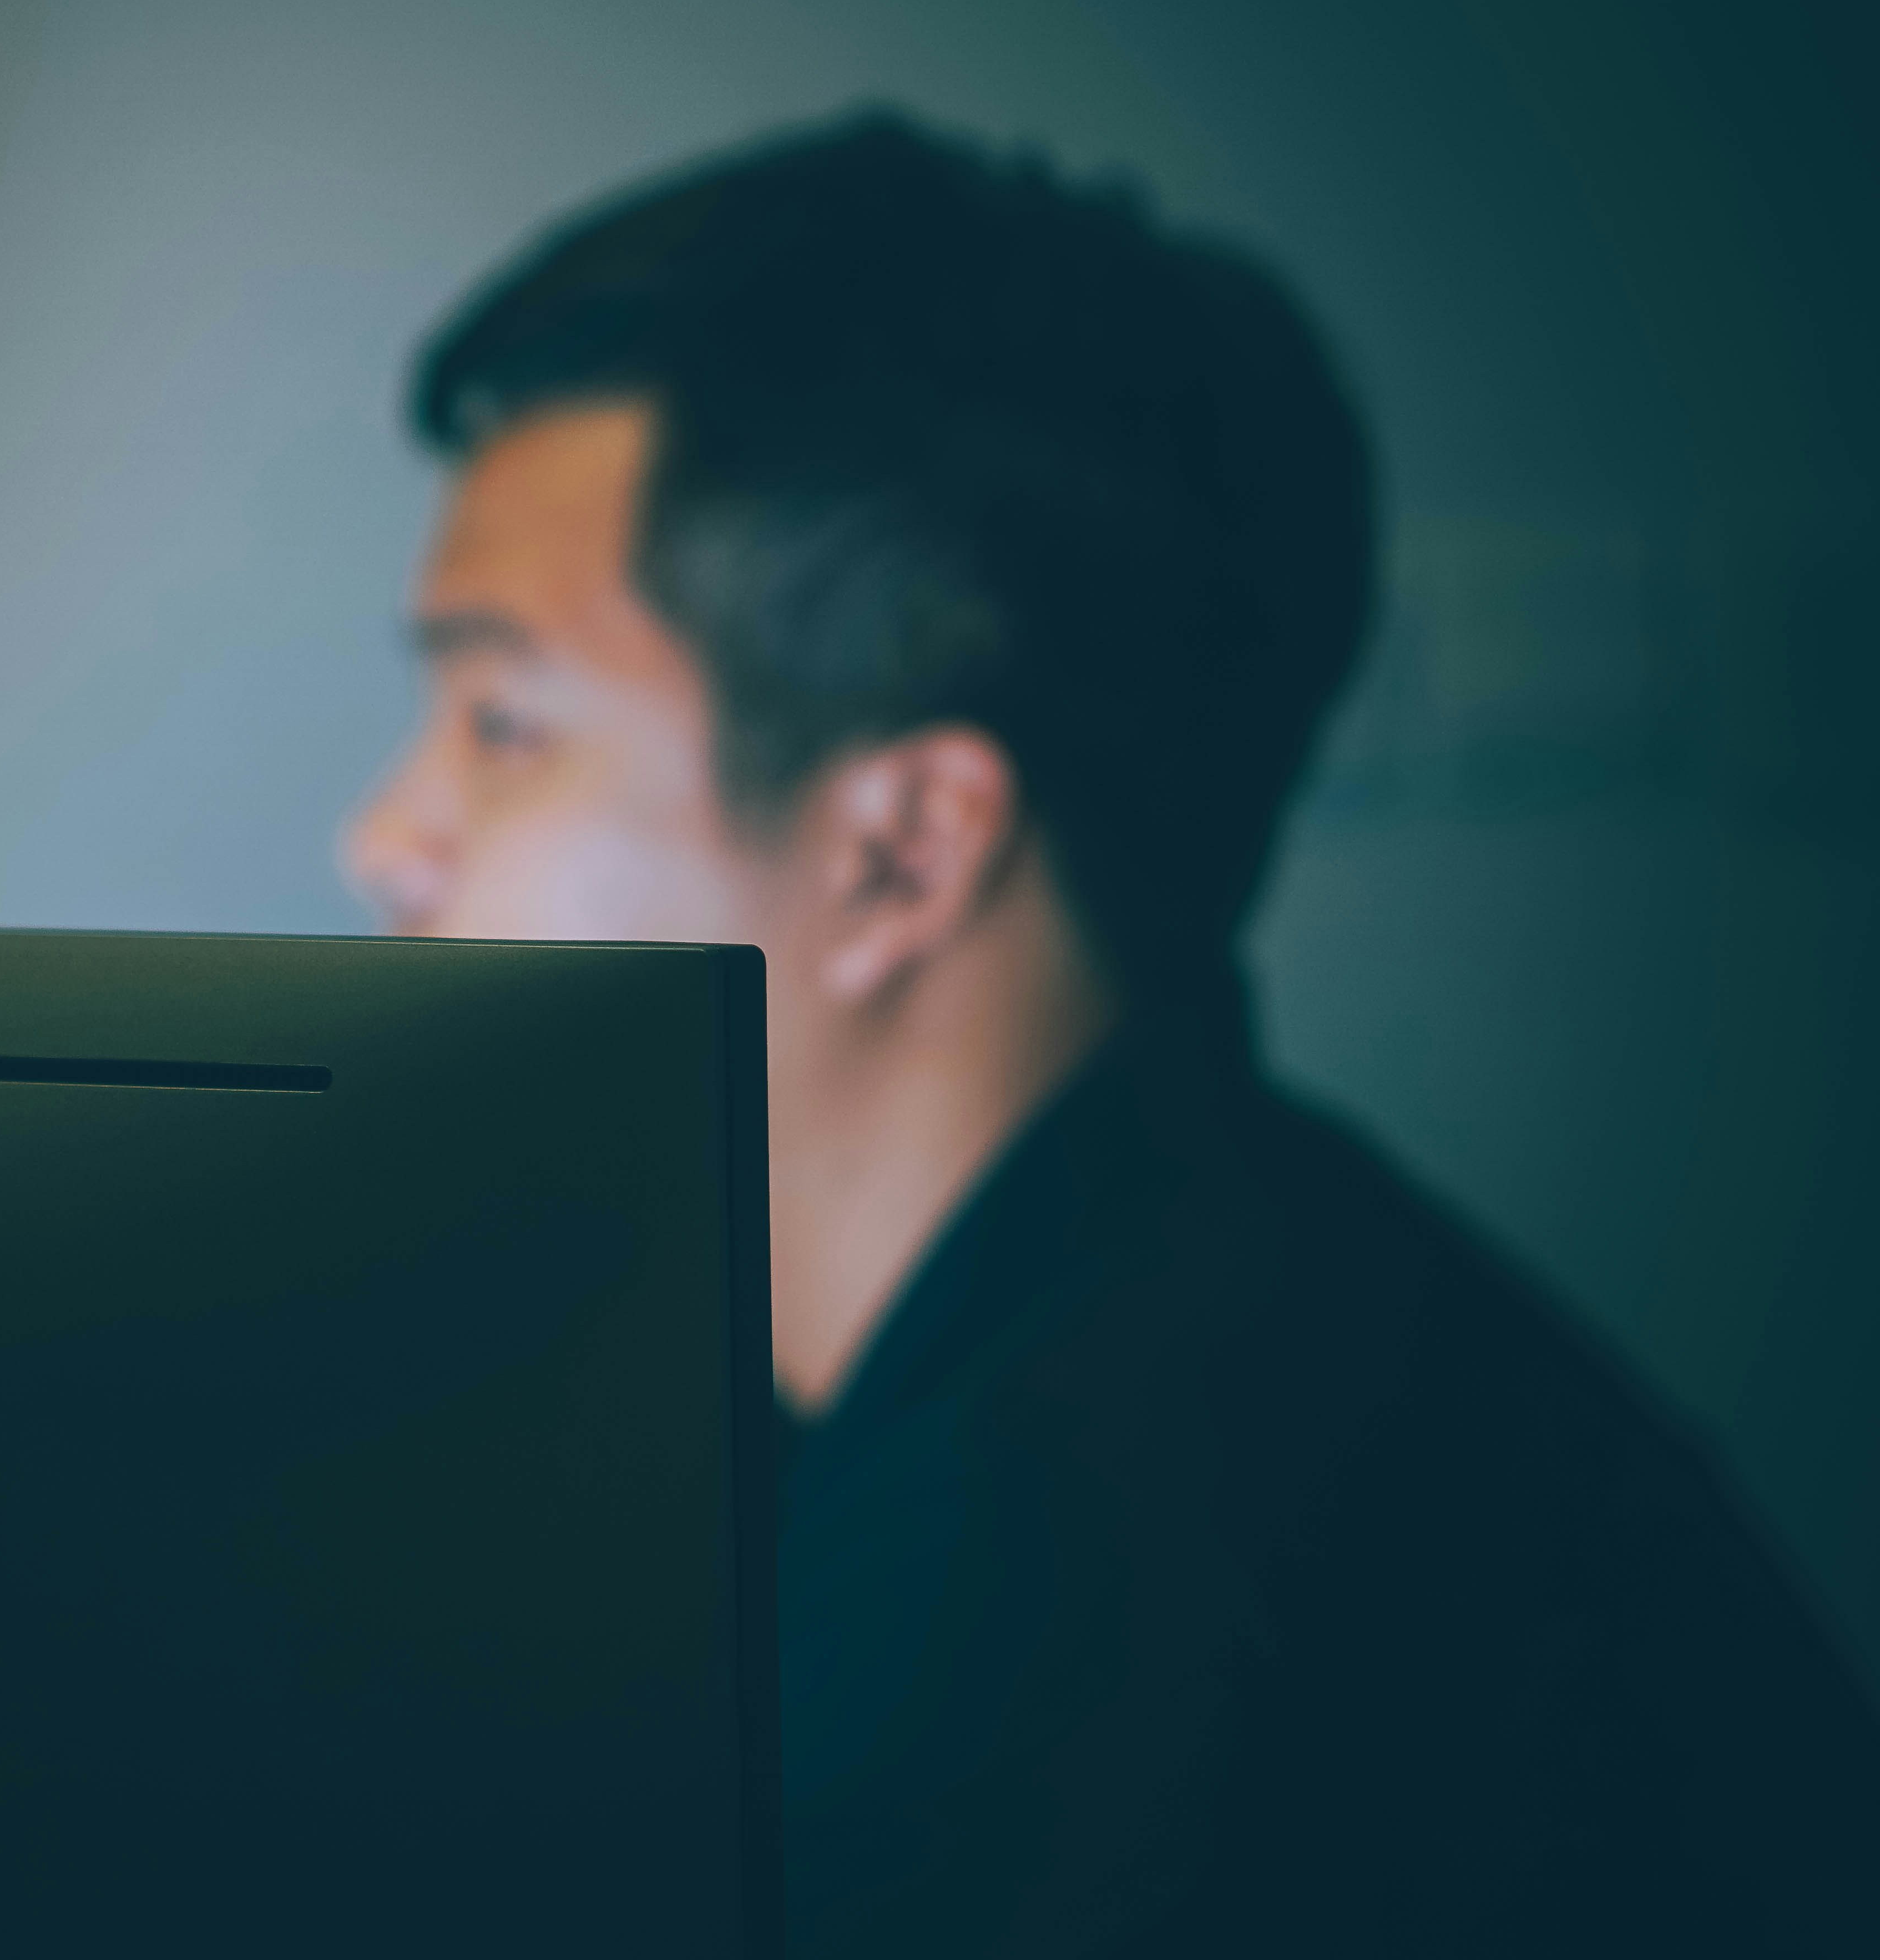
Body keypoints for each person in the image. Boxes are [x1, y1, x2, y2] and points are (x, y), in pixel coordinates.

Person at [342, 111, 1880, 1957]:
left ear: (906, 852)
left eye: (503, 726)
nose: (385, 842)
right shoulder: (1165, 1320)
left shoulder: (1072, 1639)